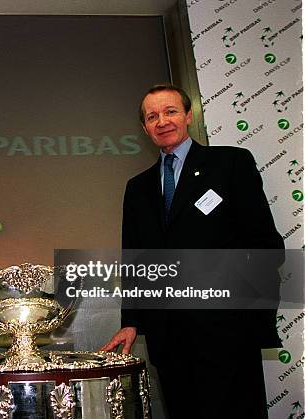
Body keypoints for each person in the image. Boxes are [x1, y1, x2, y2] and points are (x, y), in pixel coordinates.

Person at [101, 83, 283, 418]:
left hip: (228, 331)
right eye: (152, 116)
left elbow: (264, 244)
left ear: (188, 115)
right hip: (169, 336)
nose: (162, 121)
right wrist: (132, 321)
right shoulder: (138, 188)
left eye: (170, 111)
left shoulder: (230, 163)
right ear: (144, 128)